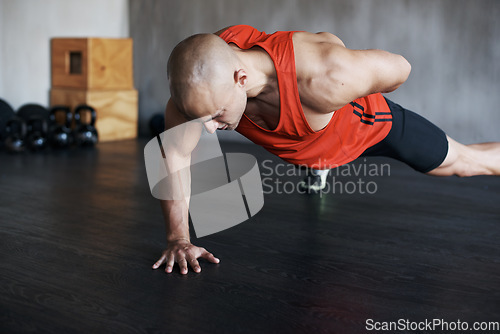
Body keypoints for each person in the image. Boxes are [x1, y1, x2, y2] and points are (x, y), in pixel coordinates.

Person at [152, 25, 500, 275]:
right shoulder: (201, 83)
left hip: (371, 127)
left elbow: (400, 68)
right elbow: (177, 155)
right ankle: (318, 160)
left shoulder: (325, 78)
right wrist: (178, 238)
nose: (209, 128)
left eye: (214, 115)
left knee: (463, 162)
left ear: (241, 79)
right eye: (202, 117)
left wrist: (345, 69)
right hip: (312, 144)